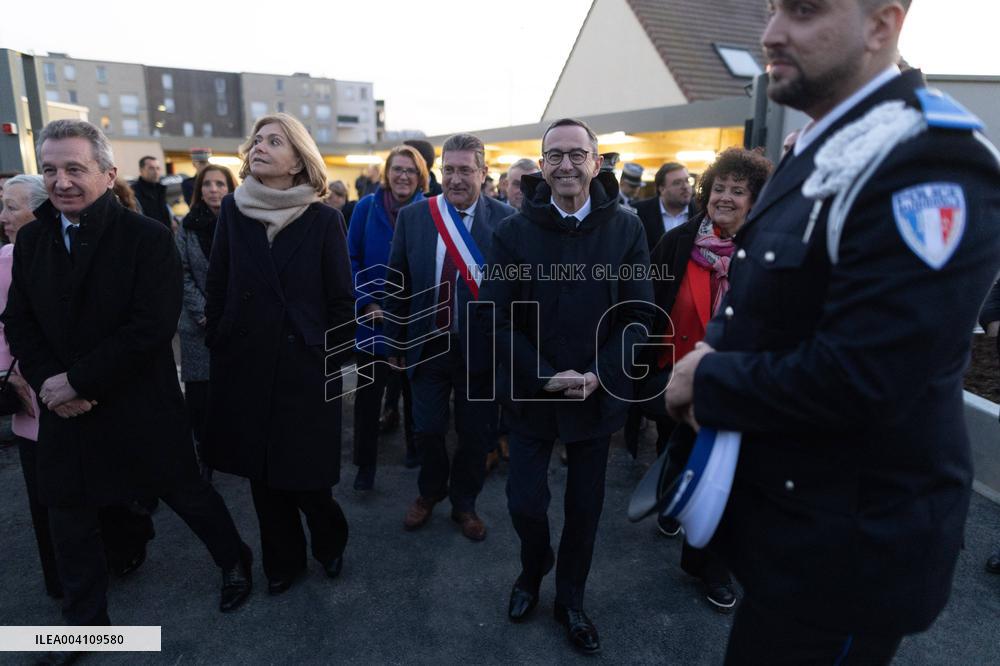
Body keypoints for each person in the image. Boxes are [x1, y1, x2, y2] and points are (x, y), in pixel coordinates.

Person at [664, 1, 1000, 662]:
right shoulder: (825, 143)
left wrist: (709, 376)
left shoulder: (928, 157)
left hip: (847, 553)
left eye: (806, 9)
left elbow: (870, 376)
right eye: (771, 9)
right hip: (791, 531)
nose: (771, 33)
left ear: (882, 23)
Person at [2, 120, 252, 627]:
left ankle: (234, 562)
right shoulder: (33, 242)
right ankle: (85, 625)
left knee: (186, 494)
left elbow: (150, 328)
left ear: (108, 172)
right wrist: (56, 384)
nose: (61, 181)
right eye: (50, 169)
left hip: (139, 406)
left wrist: (77, 382)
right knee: (68, 516)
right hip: (64, 409)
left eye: (75, 168)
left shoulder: (148, 237)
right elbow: (20, 321)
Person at [479, 118, 653, 654]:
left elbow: (639, 316)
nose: (566, 165)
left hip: (596, 399)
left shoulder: (625, 229)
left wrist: (600, 373)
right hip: (533, 396)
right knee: (524, 504)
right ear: (542, 165)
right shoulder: (512, 230)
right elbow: (494, 318)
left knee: (584, 511)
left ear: (595, 163)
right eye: (554, 155)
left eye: (577, 154)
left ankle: (570, 599)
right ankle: (534, 570)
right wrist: (544, 375)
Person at [204, 112, 355, 595]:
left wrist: (335, 359)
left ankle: (329, 540)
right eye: (258, 139)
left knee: (307, 478)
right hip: (247, 362)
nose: (260, 146)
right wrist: (221, 336)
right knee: (263, 475)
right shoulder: (234, 208)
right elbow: (219, 280)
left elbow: (340, 298)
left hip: (304, 366)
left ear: (297, 162)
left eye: (275, 141)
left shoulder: (324, 218)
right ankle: (282, 563)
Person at [646, 147, 772, 613]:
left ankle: (710, 568)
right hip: (674, 376)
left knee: (725, 479)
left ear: (755, 201)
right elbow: (645, 300)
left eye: (738, 191)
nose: (725, 197)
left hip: (734, 384)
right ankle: (673, 505)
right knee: (675, 455)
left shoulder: (765, 252)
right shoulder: (678, 243)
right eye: (719, 188)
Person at [382, 133, 514, 541]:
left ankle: (464, 503)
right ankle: (429, 491)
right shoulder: (416, 217)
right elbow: (397, 282)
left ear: (483, 172)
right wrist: (394, 340)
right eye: (449, 170)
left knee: (476, 436)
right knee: (427, 430)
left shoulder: (508, 221)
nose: (456, 179)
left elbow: (516, 291)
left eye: (465, 170)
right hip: (427, 344)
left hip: (481, 351)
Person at [347, 145, 427, 490]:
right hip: (373, 322)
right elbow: (349, 259)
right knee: (368, 400)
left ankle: (415, 450)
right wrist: (366, 303)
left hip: (415, 321)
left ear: (420, 176)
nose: (403, 176)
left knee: (415, 393)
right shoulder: (365, 208)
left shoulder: (430, 210)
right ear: (386, 172)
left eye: (410, 170)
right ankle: (365, 467)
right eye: (397, 169)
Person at [176, 164, 237, 482]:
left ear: (231, 188)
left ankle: (235, 450)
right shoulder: (186, 226)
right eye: (208, 184)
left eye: (221, 184)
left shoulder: (243, 222)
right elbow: (182, 272)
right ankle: (205, 456)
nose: (214, 189)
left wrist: (229, 314)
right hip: (197, 323)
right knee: (201, 399)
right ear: (199, 190)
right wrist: (205, 313)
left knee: (235, 392)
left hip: (237, 321)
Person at [634, 162, 695, 253]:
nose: (685, 186)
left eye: (687, 181)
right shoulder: (638, 213)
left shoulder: (703, 212)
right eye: (677, 183)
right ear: (662, 189)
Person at [130, 155, 173, 227]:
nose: (156, 172)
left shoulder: (161, 189)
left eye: (158, 168)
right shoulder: (133, 191)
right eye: (151, 168)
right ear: (141, 170)